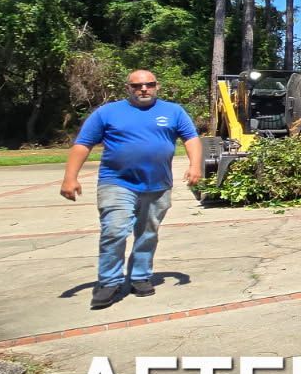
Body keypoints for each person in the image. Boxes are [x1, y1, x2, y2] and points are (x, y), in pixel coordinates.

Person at [60, 70, 204, 310]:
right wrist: (69, 178)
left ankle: (140, 276)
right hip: (117, 182)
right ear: (128, 88)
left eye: (149, 84)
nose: (144, 89)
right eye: (137, 86)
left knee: (148, 232)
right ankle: (109, 282)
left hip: (157, 184)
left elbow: (191, 139)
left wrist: (195, 166)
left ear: (157, 86)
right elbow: (83, 144)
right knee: (114, 230)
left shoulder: (173, 111)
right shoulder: (108, 112)